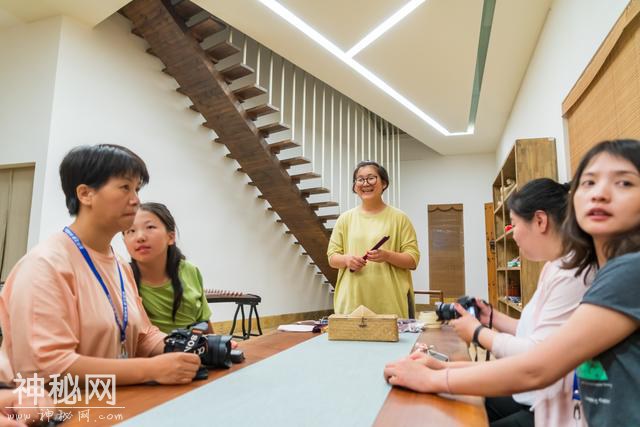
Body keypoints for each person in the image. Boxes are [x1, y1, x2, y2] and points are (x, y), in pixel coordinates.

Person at [383, 139, 640, 426]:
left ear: (541, 221)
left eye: (624, 183)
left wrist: (443, 369)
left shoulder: (626, 271)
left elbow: (538, 366)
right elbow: (542, 346)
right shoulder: (597, 267)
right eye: (589, 182)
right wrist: (459, 352)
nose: (600, 194)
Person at [0, 144, 200, 386]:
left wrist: (196, 348)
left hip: (112, 403)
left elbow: (144, 337)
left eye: (137, 189)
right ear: (85, 194)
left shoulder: (120, 265)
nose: (136, 200)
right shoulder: (45, 266)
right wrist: (149, 369)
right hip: (51, 412)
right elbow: (50, 366)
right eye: (125, 187)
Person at [448, 178, 591, 426]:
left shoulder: (573, 275)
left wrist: (478, 332)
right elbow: (537, 331)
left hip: (555, 404)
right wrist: (491, 317)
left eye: (513, 225)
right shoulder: (556, 266)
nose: (512, 234)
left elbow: (537, 355)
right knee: (460, 402)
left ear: (540, 221)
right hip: (536, 393)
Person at [327, 161, 420, 318]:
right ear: (355, 185)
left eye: (371, 178)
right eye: (360, 179)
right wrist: (347, 260)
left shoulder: (399, 218)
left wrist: (387, 256)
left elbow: (413, 260)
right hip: (351, 300)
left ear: (383, 183)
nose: (365, 183)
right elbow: (332, 257)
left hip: (390, 301)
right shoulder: (345, 219)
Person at [123, 202, 214, 334]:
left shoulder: (189, 270)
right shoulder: (122, 278)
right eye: (131, 231)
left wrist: (217, 347)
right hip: (150, 354)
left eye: (150, 227)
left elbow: (203, 322)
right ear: (124, 240)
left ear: (170, 237)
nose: (140, 237)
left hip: (194, 349)